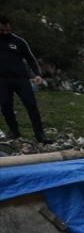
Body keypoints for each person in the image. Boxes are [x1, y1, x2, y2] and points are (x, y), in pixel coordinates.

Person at [0, 15, 50, 144]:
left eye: (8, 30)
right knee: (6, 105)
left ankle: (40, 135)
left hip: (20, 78)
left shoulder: (19, 42)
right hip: (3, 80)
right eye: (2, 31)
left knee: (31, 105)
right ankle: (14, 131)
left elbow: (30, 59)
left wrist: (37, 74)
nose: (5, 33)